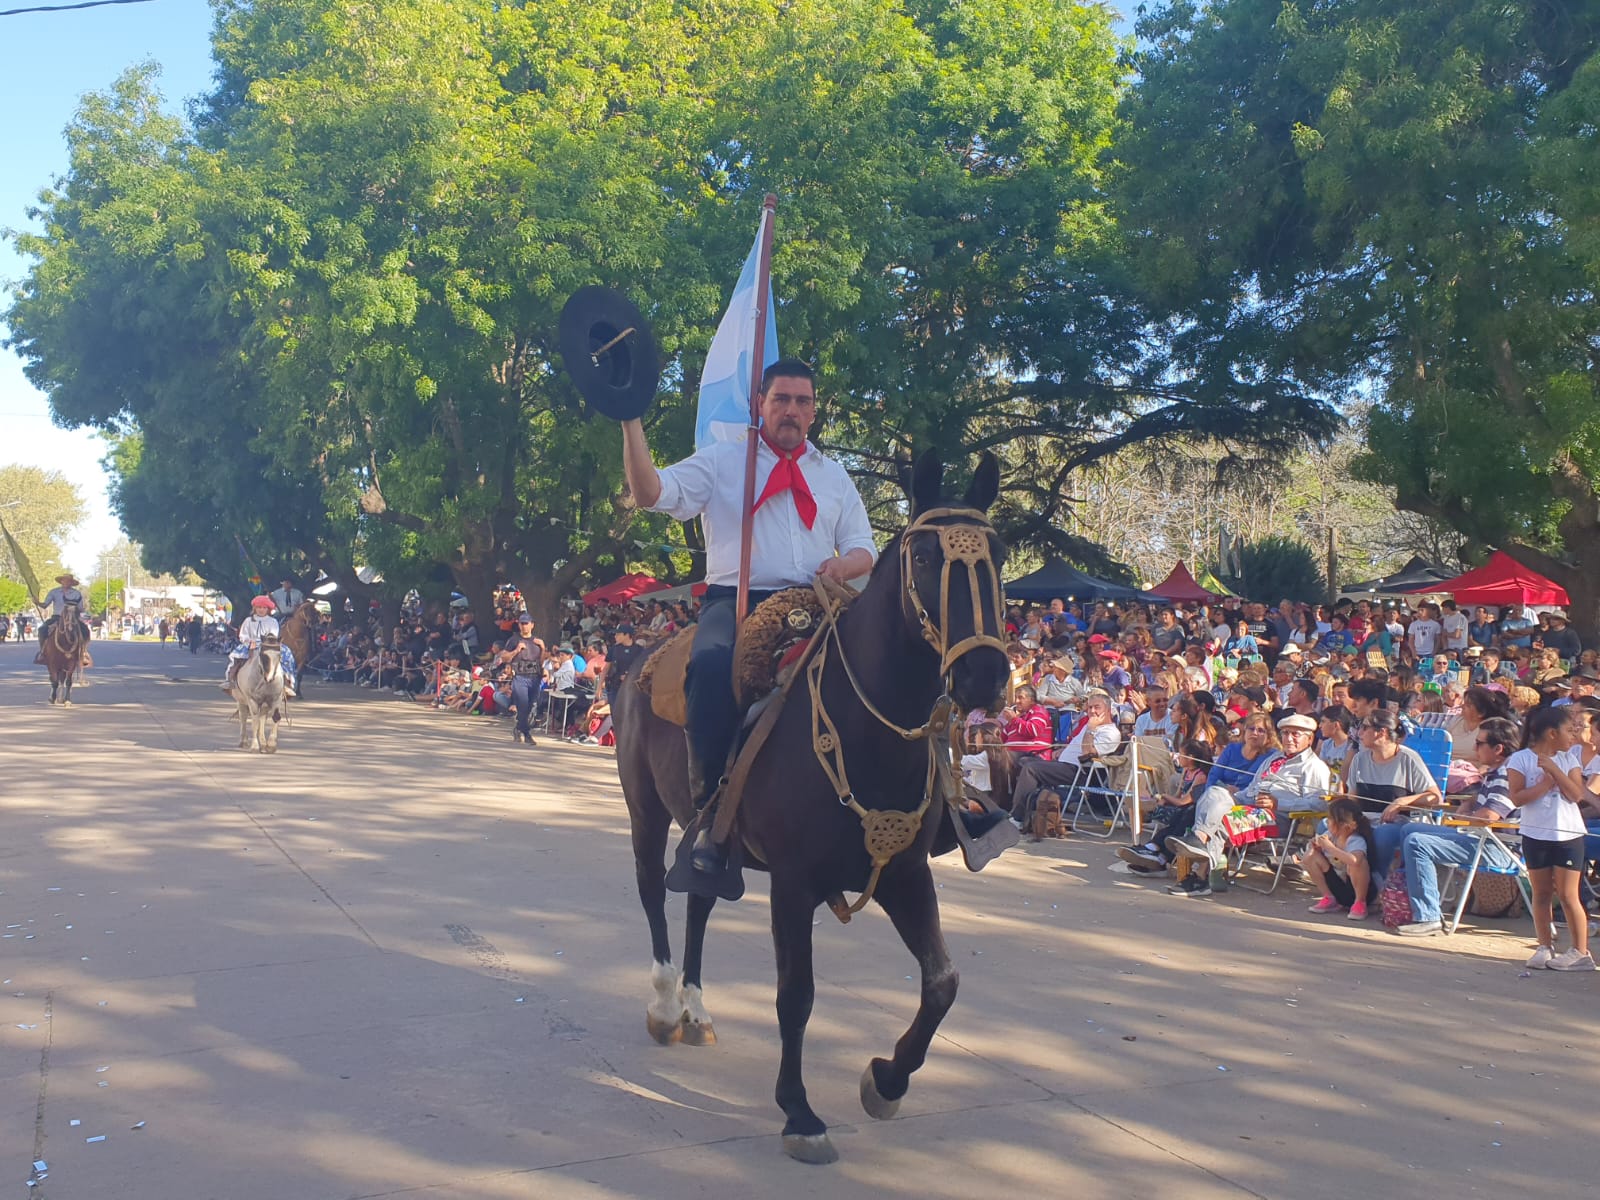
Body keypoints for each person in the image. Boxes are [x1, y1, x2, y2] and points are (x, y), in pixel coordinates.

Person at [623, 358, 878, 884]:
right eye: (780, 399)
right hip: (735, 601)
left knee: (883, 664)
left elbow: (864, 548)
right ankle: (711, 810)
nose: (791, 410)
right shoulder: (723, 461)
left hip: (815, 600)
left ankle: (925, 797)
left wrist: (842, 565)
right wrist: (631, 421)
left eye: (802, 401)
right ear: (760, 404)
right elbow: (652, 494)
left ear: (813, 411)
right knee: (712, 668)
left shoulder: (832, 476)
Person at [1394, 717, 1522, 936]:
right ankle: (1410, 899)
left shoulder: (1506, 775)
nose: (1475, 748)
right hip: (1481, 838)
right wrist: (1470, 803)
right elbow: (1486, 807)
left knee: (1417, 842)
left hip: (1497, 848)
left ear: (1498, 748)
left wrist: (1456, 821)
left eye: (1480, 743)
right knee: (1409, 829)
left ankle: (1428, 916)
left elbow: (1490, 815)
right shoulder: (1496, 771)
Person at [1507, 707, 1593, 970]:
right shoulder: (1520, 759)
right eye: (1569, 730)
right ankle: (1544, 945)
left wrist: (1555, 770)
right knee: (1541, 893)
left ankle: (1580, 951)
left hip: (1567, 834)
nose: (1573, 735)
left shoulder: (1569, 760)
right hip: (1535, 833)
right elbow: (1517, 797)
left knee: (1568, 895)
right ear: (1552, 733)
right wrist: (1543, 785)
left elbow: (1575, 795)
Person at [1303, 798, 1378, 919]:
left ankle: (1360, 903)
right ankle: (1329, 897)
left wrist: (1330, 848)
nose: (1327, 822)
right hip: (1338, 886)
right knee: (1310, 856)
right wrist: (1316, 848)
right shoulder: (1330, 835)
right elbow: (1307, 858)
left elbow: (1355, 860)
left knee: (1358, 864)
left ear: (1345, 825)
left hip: (1358, 890)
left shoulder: (1355, 840)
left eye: (1331, 819)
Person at [223, 596, 297, 697]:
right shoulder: (248, 621)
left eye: (264, 608)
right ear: (255, 608)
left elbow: (274, 635)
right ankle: (231, 679)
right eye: (259, 607)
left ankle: (287, 682)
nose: (261, 610)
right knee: (237, 658)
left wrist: (267, 642)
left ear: (268, 609)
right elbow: (243, 634)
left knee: (286, 655)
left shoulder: (272, 621)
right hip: (251, 644)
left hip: (268, 644)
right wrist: (249, 641)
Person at [492, 612, 545, 746]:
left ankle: (518, 728)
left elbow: (542, 661)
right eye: (521, 623)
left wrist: (543, 648)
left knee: (529, 706)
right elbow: (503, 658)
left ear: (532, 625)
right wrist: (516, 650)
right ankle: (527, 734)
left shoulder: (537, 641)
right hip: (520, 676)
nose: (524, 626)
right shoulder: (514, 640)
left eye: (526, 623)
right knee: (522, 704)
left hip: (535, 676)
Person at [35, 572, 90, 663]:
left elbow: (80, 608)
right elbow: (45, 605)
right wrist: (37, 602)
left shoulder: (76, 594)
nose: (66, 582)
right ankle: (42, 652)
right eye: (64, 580)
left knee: (85, 630)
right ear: (61, 581)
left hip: (73, 618)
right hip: (57, 617)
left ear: (71, 583)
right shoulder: (54, 592)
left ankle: (83, 652)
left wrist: (86, 615)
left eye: (69, 581)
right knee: (42, 629)